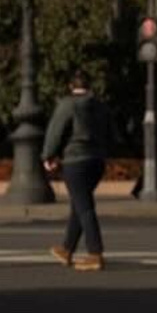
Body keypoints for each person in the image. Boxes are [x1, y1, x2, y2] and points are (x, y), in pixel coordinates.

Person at [41, 70, 115, 272]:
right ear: (89, 86)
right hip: (97, 161)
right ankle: (67, 249)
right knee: (79, 203)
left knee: (84, 207)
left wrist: (48, 156)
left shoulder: (68, 104)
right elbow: (111, 133)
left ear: (70, 86)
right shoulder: (100, 106)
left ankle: (95, 253)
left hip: (75, 160)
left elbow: (55, 131)